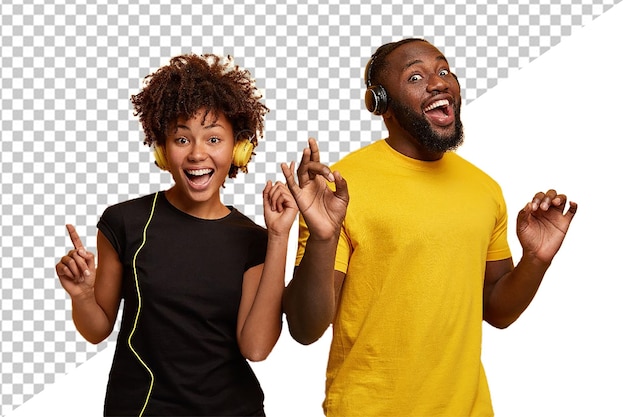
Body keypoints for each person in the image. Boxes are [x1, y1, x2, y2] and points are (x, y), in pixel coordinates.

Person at [281, 38, 578, 417]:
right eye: (416, 77)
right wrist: (323, 235)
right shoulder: (337, 190)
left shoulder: (484, 189)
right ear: (380, 104)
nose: (438, 83)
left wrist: (536, 260)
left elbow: (497, 311)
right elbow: (306, 328)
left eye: (443, 70)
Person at [55, 53, 297, 417]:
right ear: (162, 150)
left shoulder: (254, 239)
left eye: (214, 139)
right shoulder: (125, 221)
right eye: (181, 139)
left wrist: (279, 237)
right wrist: (83, 296)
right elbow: (96, 328)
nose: (198, 154)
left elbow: (256, 348)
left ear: (238, 149)